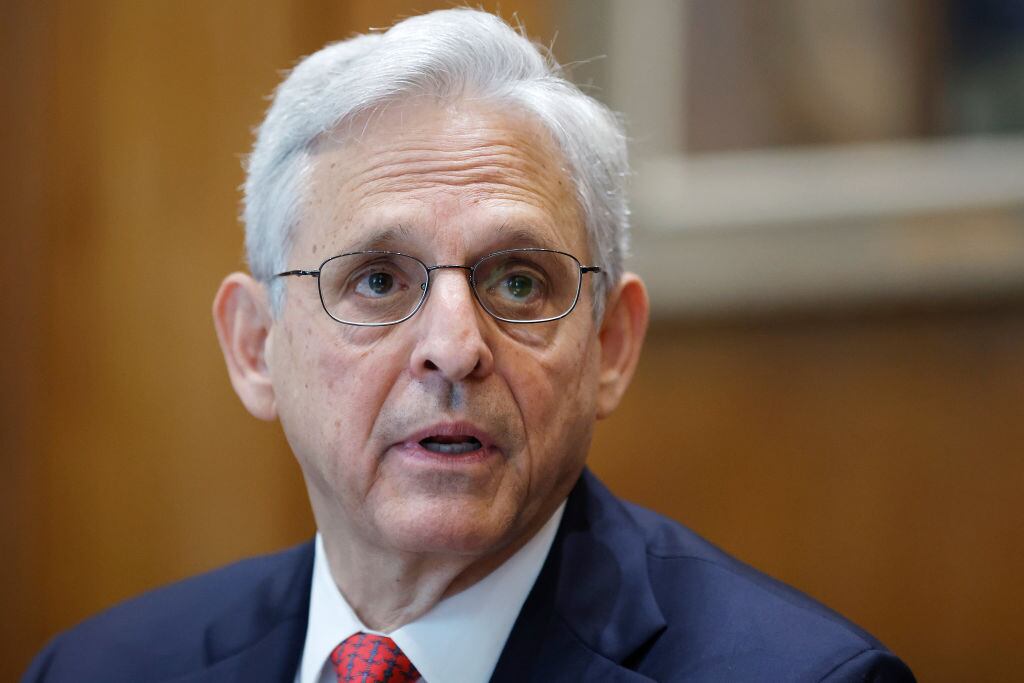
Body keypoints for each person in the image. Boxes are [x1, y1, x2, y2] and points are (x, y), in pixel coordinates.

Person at [24, 8, 914, 683]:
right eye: (379, 280)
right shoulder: (98, 668)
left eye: (518, 282)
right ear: (257, 347)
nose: (454, 348)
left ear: (610, 344)